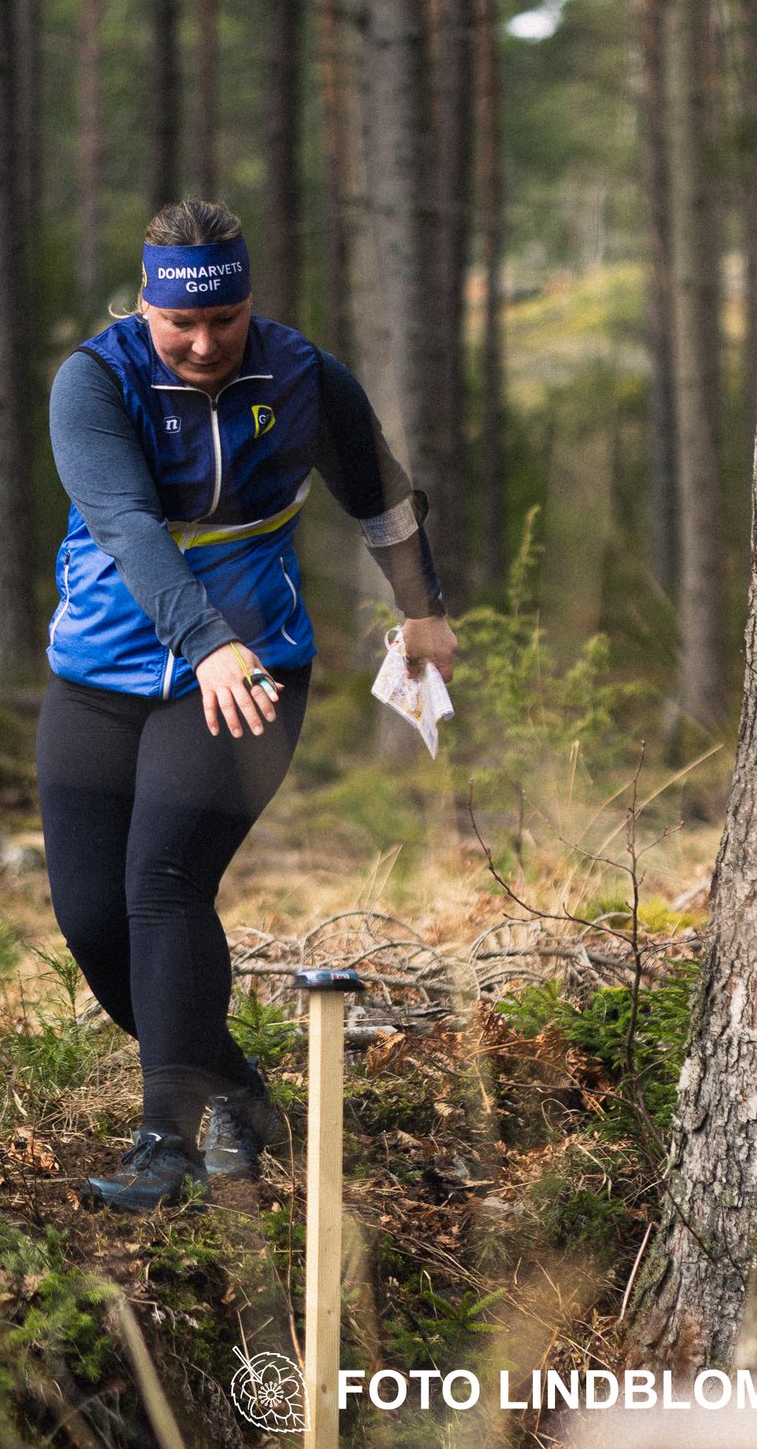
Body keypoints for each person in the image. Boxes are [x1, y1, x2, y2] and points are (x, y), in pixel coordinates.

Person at [40, 199, 458, 1213]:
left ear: (247, 302)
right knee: (94, 921)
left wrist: (423, 610)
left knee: (163, 880)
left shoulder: (302, 375)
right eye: (177, 322)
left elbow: (382, 496)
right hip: (100, 677)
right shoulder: (94, 383)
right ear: (143, 306)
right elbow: (132, 528)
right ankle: (236, 1089)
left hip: (255, 675)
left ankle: (165, 1147)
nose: (201, 342)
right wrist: (202, 638)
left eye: (221, 320)